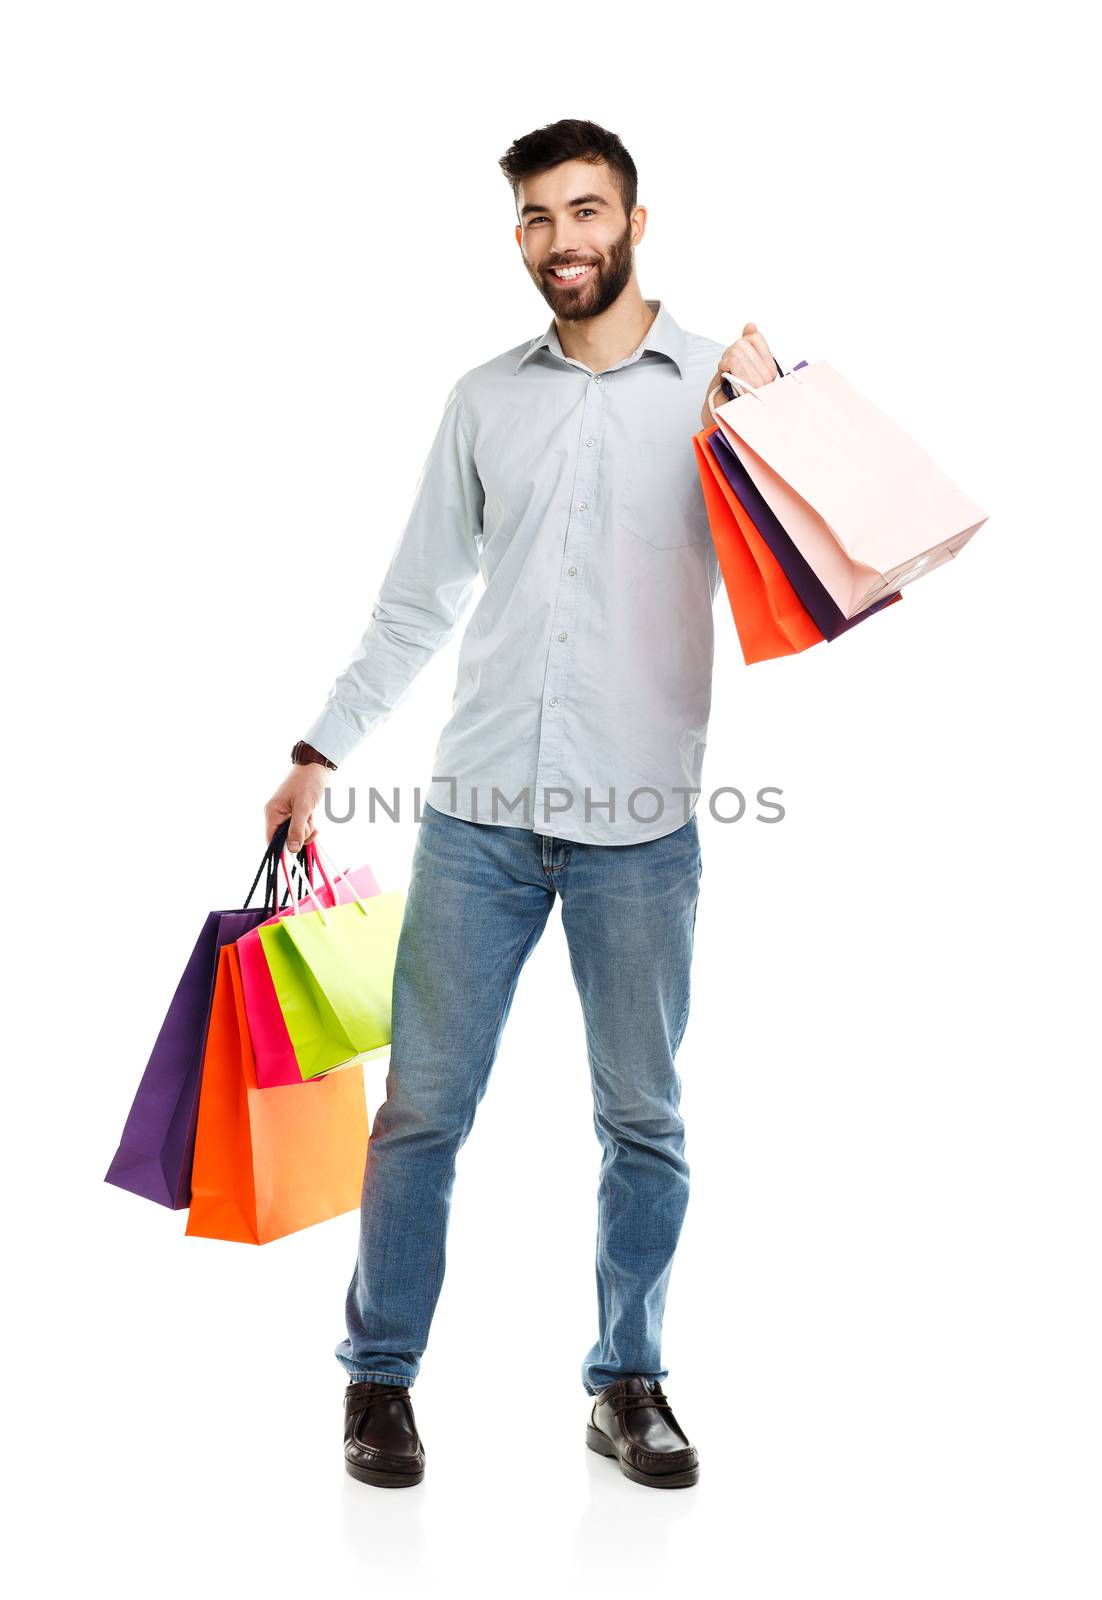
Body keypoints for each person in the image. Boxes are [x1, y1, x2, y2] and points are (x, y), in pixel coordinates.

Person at [264, 117, 780, 1491]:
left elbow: (837, 561)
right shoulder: (484, 398)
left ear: (635, 221)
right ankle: (376, 1385)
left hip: (641, 829)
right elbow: (418, 595)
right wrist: (320, 750)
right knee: (421, 1114)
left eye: (587, 211)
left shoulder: (723, 385)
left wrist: (783, 419)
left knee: (643, 1122)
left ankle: (627, 1383)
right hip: (475, 818)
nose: (565, 240)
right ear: (519, 239)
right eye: (540, 219)